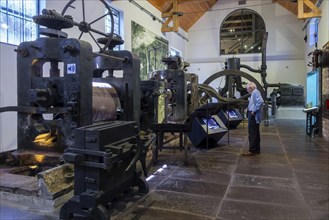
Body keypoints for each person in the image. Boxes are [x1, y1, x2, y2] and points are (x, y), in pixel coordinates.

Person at [243, 82, 264, 156]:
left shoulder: (255, 92)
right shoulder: (255, 93)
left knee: (252, 133)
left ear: (251, 88)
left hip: (253, 115)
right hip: (253, 115)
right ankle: (256, 150)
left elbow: (261, 101)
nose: (247, 90)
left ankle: (252, 150)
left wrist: (253, 110)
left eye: (247, 89)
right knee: (255, 132)